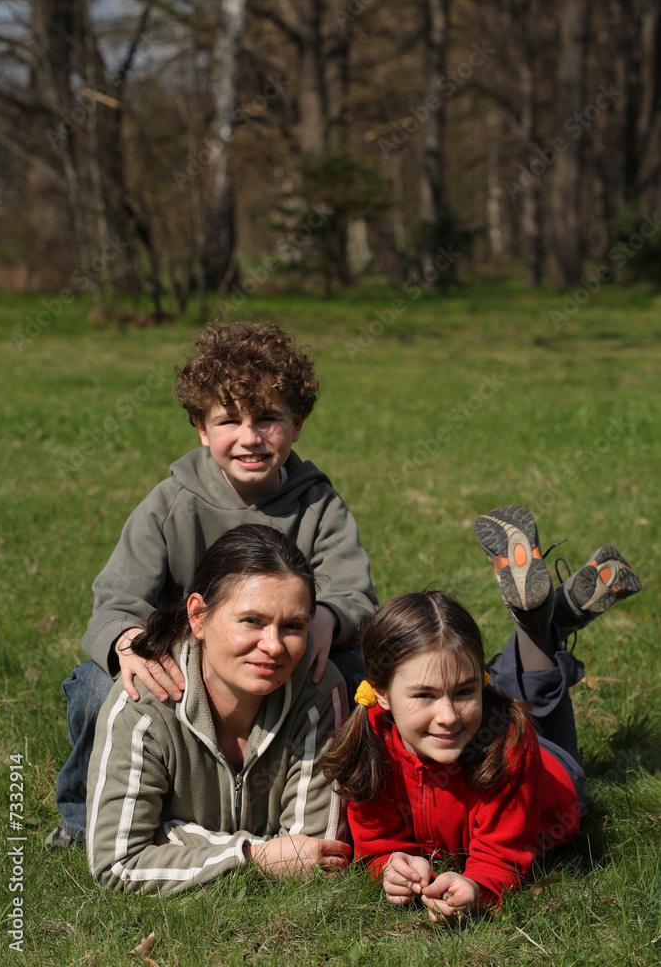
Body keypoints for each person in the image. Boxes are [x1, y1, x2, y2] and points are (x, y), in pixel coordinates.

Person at [51, 321, 377, 847]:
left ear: (297, 424)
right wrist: (127, 642)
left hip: (281, 646)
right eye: (229, 420)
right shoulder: (169, 503)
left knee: (360, 675)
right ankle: (84, 813)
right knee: (97, 685)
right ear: (202, 428)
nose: (250, 437)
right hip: (182, 657)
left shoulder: (319, 504)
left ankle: (353, 806)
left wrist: (328, 617)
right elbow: (116, 599)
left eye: (268, 418)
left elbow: (355, 593)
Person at [322, 503, 641, 919]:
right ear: (380, 694)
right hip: (489, 727)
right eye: (424, 696)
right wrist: (393, 865)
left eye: (464, 691)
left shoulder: (510, 742)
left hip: (552, 776)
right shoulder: (368, 742)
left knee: (536, 700)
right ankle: (544, 623)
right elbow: (379, 842)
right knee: (520, 685)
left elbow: (504, 853)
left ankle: (537, 625)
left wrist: (477, 887)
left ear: (482, 683)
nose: (448, 715)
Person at [87, 524, 351, 893]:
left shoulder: (317, 690)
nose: (274, 645)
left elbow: (315, 853)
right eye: (252, 621)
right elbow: (117, 863)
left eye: (292, 626)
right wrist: (252, 856)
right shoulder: (144, 702)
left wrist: (171, 837)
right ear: (198, 616)